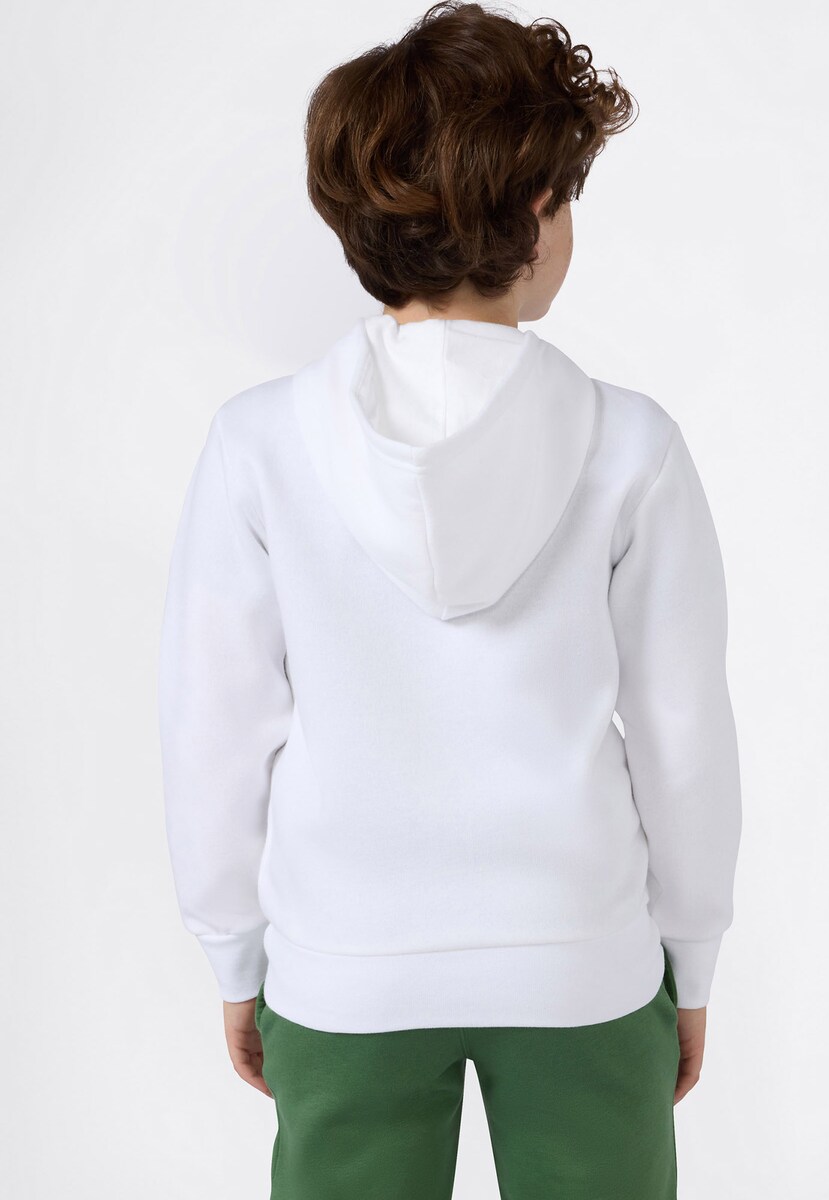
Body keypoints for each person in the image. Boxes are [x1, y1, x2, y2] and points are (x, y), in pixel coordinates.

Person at [157, 3, 742, 1197]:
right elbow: (682, 733)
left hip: (346, 963)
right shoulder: (632, 447)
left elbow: (211, 730)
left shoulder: (259, 446)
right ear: (534, 212)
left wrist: (233, 952)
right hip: (581, 960)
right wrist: (692, 953)